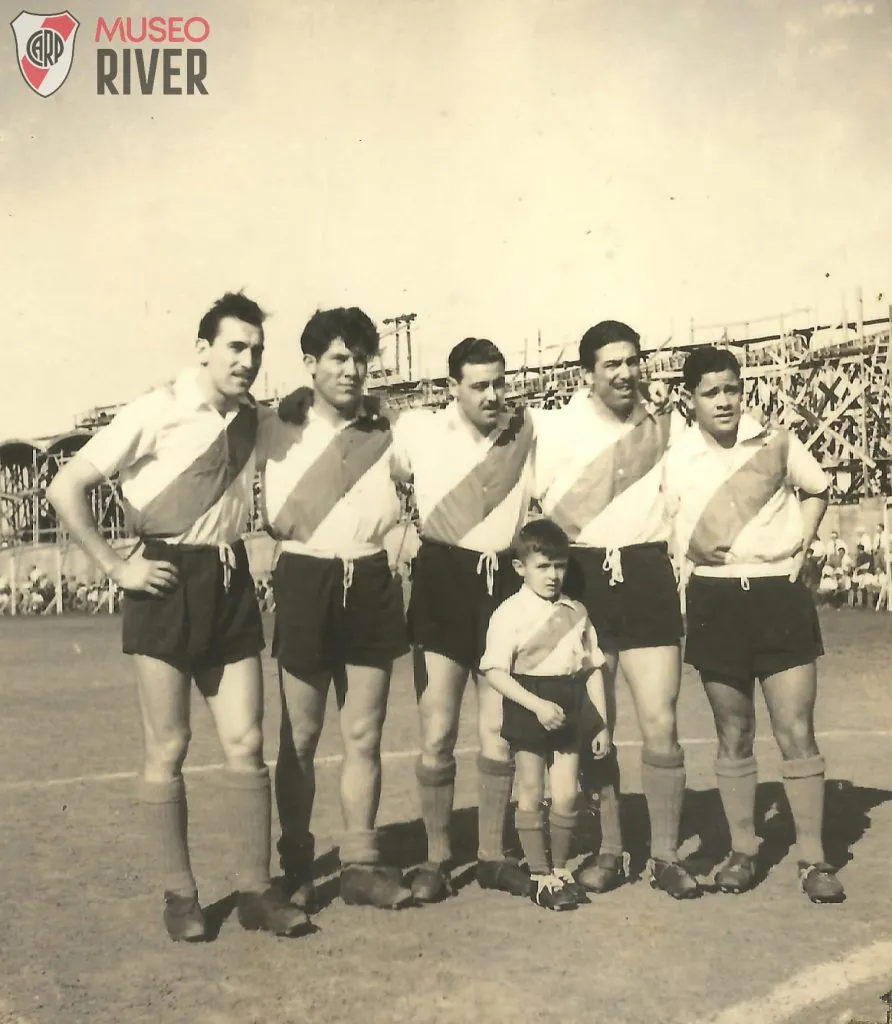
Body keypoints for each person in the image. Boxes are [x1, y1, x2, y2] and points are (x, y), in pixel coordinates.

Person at [46, 292, 307, 941]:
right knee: (169, 745)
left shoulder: (254, 418)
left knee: (245, 743)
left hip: (229, 578)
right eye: (235, 347)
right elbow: (64, 486)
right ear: (203, 349)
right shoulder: (156, 409)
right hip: (163, 580)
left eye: (256, 350)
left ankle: (255, 890)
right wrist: (117, 567)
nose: (246, 360)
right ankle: (181, 897)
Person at [664, 346, 844, 903]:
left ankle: (814, 860)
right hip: (715, 599)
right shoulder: (676, 457)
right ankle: (744, 850)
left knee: (796, 732)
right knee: (734, 733)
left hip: (777, 597)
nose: (725, 400)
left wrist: (800, 553)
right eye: (712, 392)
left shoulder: (777, 441)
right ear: (689, 399)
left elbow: (818, 489)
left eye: (732, 388)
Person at [535, 320, 699, 899]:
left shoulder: (665, 423)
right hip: (583, 576)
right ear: (587, 374)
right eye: (612, 364)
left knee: (662, 720)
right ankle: (609, 849)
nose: (626, 372)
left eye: (633, 360)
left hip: (648, 570)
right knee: (596, 724)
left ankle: (666, 855)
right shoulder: (554, 431)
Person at [261, 307, 412, 910]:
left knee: (364, 734)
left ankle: (359, 863)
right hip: (305, 577)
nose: (352, 370)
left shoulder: (390, 427)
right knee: (298, 736)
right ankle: (296, 862)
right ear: (310, 365)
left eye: (361, 359)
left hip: (371, 576)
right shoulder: (275, 427)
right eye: (339, 358)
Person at [392, 338, 538, 903]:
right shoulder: (419, 431)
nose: (493, 395)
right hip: (442, 580)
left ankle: (494, 856)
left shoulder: (526, 431)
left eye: (499, 382)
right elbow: (384, 473)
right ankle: (435, 858)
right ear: (452, 387)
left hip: (503, 581)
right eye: (479, 385)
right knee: (438, 730)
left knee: (498, 729)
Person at [480, 518, 609, 911]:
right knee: (532, 790)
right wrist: (535, 706)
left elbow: (592, 669)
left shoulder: (576, 611)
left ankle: (562, 868)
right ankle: (540, 874)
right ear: (520, 568)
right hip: (529, 702)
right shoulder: (509, 612)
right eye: (542, 566)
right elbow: (494, 672)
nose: (553, 576)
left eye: (560, 566)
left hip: (570, 702)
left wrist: (601, 722)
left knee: (567, 793)